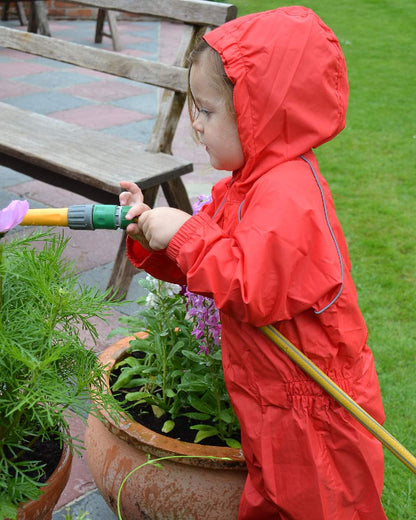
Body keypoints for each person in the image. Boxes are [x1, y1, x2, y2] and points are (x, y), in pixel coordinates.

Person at [119, 6, 387, 519]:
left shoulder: (290, 195)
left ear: (262, 110)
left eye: (207, 110)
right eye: (192, 108)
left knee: (324, 508)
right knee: (268, 500)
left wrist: (186, 236)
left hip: (314, 412)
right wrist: (158, 239)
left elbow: (249, 287)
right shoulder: (247, 183)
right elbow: (213, 266)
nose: (195, 124)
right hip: (268, 398)